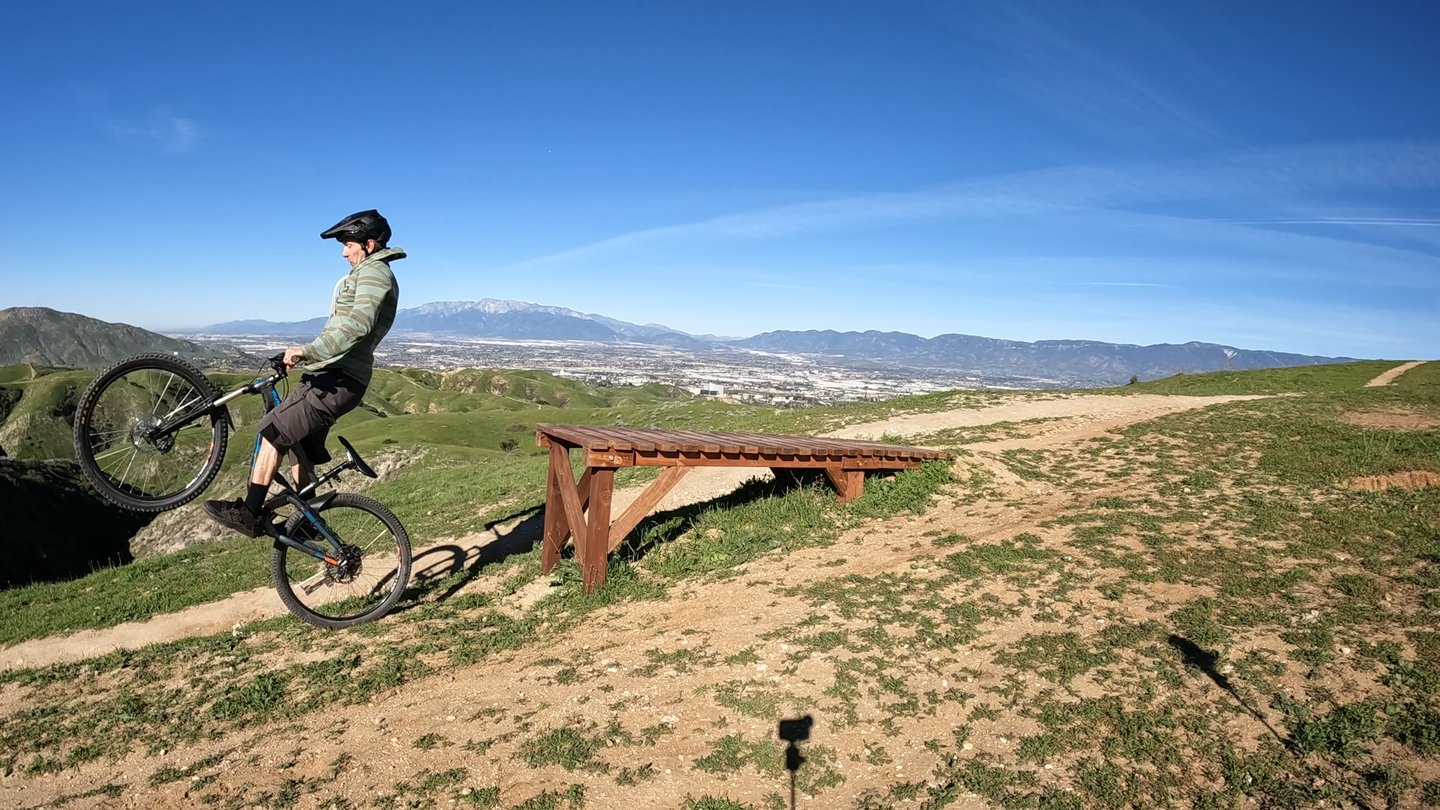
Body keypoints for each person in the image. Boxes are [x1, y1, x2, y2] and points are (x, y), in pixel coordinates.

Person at [203, 209, 404, 537]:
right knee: (297, 447)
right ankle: (311, 525)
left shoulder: (375, 274)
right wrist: (303, 358)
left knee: (272, 434)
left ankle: (250, 514)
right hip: (332, 376)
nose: (343, 252)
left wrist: (307, 352)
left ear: (369, 244)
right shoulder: (368, 273)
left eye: (348, 244)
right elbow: (344, 329)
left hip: (336, 381)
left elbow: (356, 327)